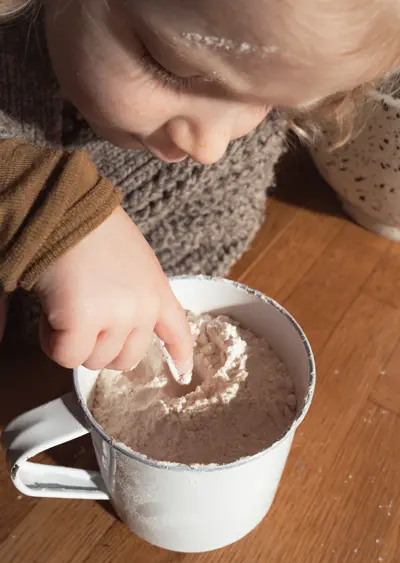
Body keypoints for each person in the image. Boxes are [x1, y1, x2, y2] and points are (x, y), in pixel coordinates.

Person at [0, 0, 399, 376]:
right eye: (173, 70)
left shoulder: (233, 161)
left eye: (267, 104)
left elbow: (190, 260)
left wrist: (116, 319)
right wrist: (47, 210)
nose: (210, 147)